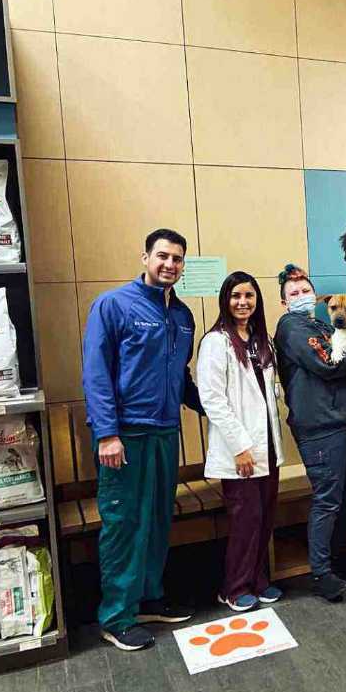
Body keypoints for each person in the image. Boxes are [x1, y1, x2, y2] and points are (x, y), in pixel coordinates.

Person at [82, 228, 203, 652]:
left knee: (156, 519)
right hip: (125, 437)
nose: (170, 264)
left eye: (177, 259)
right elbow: (96, 374)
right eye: (163, 256)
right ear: (145, 257)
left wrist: (215, 406)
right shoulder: (113, 306)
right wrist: (107, 434)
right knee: (124, 523)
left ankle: (148, 597)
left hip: (165, 432)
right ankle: (116, 616)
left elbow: (181, 376)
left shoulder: (182, 315)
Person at [273, 264, 346, 600]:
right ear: (284, 302)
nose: (302, 297)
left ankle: (339, 561)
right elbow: (327, 363)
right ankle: (321, 574)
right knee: (327, 499)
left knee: (344, 493)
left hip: (345, 419)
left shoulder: (320, 324)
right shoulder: (292, 327)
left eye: (306, 291)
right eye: (294, 293)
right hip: (322, 426)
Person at [197, 272, 285, 612]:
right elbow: (212, 399)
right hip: (241, 451)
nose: (243, 302)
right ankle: (233, 588)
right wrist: (240, 446)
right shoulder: (216, 342)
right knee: (245, 520)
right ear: (225, 300)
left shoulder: (262, 340)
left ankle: (258, 580)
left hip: (268, 446)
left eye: (249, 295)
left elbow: (268, 391)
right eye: (236, 296)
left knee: (264, 517)